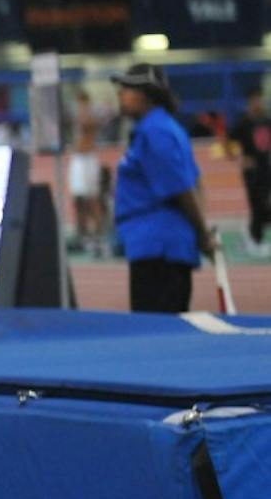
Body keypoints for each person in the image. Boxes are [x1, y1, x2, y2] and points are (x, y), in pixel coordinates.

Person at [112, 63, 214, 313]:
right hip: (158, 246)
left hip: (159, 250)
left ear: (147, 94)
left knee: (155, 335)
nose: (120, 95)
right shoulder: (164, 128)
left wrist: (202, 235)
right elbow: (195, 181)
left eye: (127, 89)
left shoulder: (155, 132)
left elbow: (182, 188)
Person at [229, 92, 271, 255]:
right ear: (249, 103)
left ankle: (253, 233)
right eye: (254, 101)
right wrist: (238, 158)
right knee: (257, 204)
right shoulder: (244, 123)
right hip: (251, 172)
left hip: (266, 169)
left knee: (262, 204)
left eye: (260, 100)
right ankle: (255, 238)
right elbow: (228, 143)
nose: (258, 104)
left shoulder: (267, 121)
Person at [69, 91, 106, 257]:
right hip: (78, 159)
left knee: (92, 199)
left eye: (82, 104)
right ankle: (83, 235)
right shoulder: (78, 117)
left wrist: (88, 113)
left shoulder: (90, 118)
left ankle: (98, 236)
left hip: (88, 159)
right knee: (78, 199)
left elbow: (90, 125)